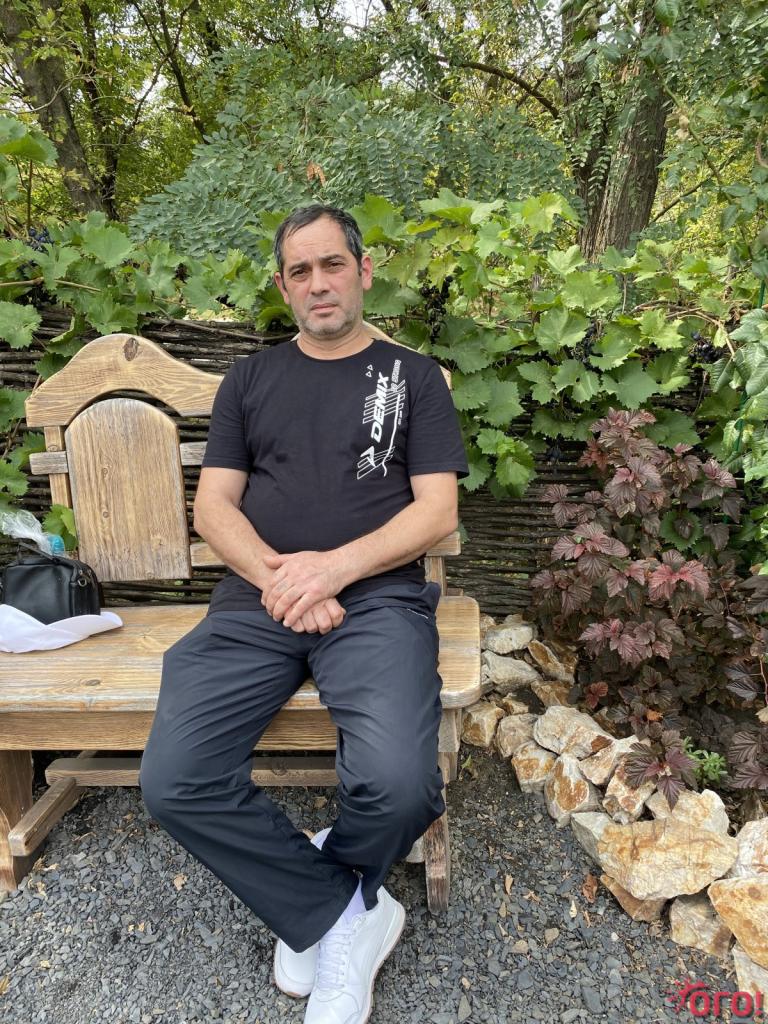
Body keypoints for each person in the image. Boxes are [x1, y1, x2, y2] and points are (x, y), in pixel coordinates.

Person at [138, 204, 469, 1024]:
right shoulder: (249, 381)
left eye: (332, 264)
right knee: (174, 781)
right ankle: (344, 909)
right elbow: (213, 509)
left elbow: (437, 512)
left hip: (378, 598)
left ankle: (329, 888)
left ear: (363, 270)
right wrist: (284, 581)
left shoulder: (414, 378)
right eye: (300, 271)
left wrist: (334, 570)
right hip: (257, 599)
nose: (318, 283)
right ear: (284, 287)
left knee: (398, 785)